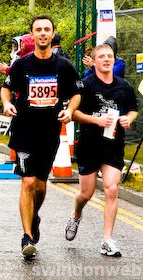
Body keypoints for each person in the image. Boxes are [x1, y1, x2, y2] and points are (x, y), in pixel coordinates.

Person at [0, 14, 81, 258]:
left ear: (52, 34)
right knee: (27, 182)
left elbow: (76, 93)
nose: (43, 33)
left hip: (49, 132)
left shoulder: (63, 66)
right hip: (24, 130)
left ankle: (34, 217)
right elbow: (6, 88)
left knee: (41, 186)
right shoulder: (21, 65)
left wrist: (70, 110)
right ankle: (27, 237)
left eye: (47, 29)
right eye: (38, 29)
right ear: (32, 35)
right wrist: (6, 104)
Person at [65, 44, 138, 257]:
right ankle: (76, 215)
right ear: (94, 61)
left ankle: (107, 240)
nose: (106, 59)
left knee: (112, 189)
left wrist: (128, 119)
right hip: (89, 145)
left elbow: (133, 109)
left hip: (113, 145)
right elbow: (73, 112)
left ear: (114, 60)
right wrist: (96, 120)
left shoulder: (124, 87)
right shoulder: (85, 85)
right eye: (102, 56)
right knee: (85, 194)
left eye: (110, 56)